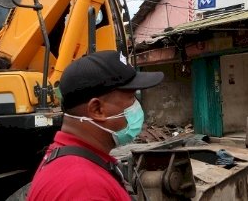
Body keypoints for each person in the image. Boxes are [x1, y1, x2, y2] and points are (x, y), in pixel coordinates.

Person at [27, 50, 164, 200]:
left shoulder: (71, 160)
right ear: (97, 109)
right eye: (131, 98)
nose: (137, 106)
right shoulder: (85, 187)